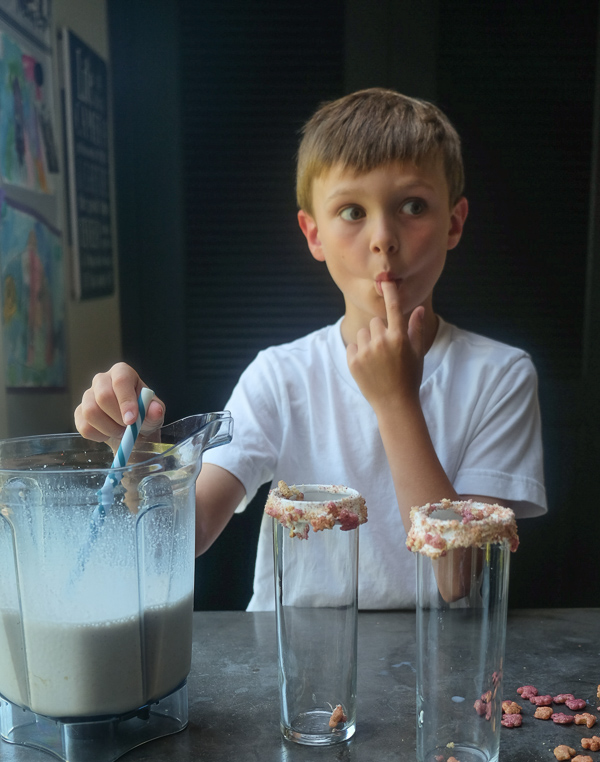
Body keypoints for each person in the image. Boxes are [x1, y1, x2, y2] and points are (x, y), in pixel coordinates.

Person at [75, 88, 547, 610]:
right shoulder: (280, 376)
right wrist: (139, 453)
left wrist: (395, 401)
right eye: (352, 211)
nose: (383, 238)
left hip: (436, 671)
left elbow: (460, 578)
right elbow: (186, 536)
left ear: (454, 222)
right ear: (313, 233)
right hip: (295, 669)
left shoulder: (501, 375)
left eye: (413, 206)